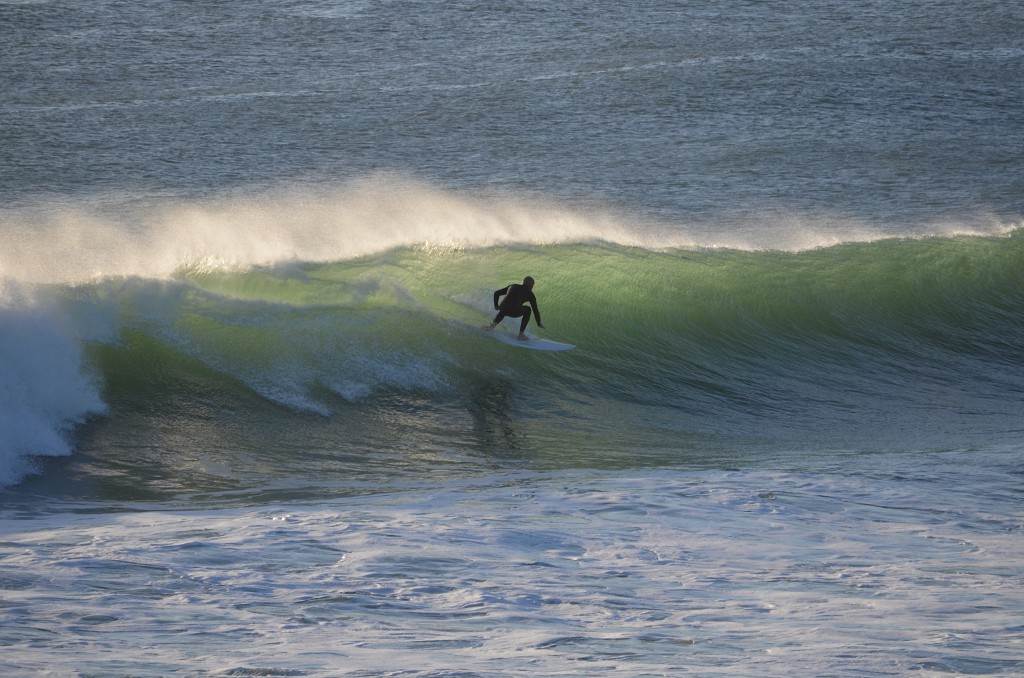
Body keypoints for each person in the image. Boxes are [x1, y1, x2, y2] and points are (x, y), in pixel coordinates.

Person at [487, 276, 544, 340]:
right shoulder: (530, 294)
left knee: (505, 308)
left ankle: (491, 326)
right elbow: (535, 310)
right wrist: (538, 322)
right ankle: (521, 334)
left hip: (502, 308)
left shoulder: (513, 286)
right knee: (528, 310)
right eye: (533, 285)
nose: (532, 287)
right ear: (531, 285)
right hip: (514, 311)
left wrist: (496, 306)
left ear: (523, 282)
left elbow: (496, 293)